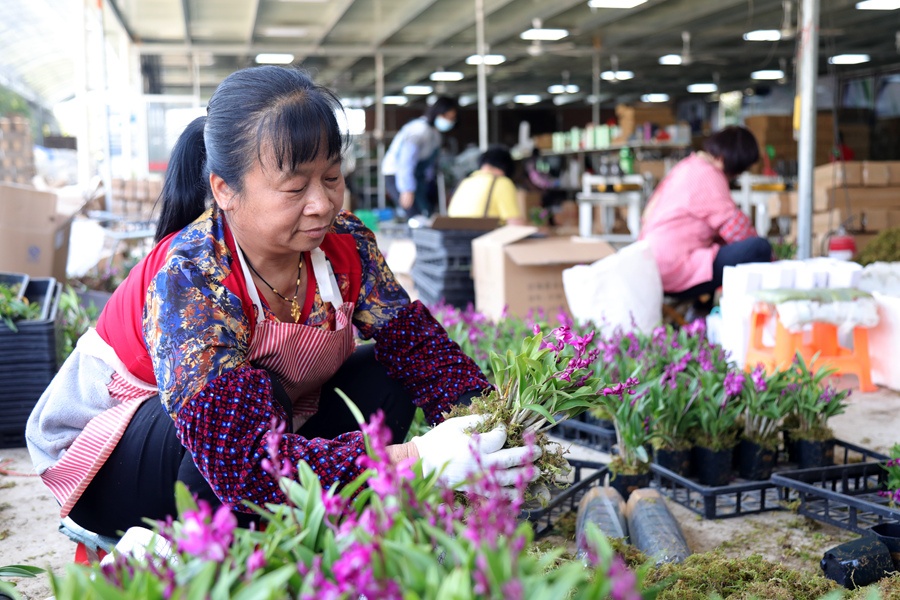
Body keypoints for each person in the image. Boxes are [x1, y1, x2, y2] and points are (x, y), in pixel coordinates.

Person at [25, 67, 539, 538]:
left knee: (391, 366)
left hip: (257, 432)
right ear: (225, 189)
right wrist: (412, 461)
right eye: (295, 188)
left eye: (332, 178)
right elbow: (239, 463)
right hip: (108, 464)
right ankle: (213, 551)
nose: (322, 204)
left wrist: (499, 431)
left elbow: (421, 349)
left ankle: (327, 520)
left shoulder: (344, 245)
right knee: (256, 391)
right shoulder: (193, 274)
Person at [638, 125, 772, 303]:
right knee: (758, 248)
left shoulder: (686, 166)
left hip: (648, 267)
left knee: (716, 249)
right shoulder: (709, 175)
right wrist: (776, 261)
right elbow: (738, 231)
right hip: (672, 270)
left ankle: (700, 311)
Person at [382, 97, 457, 219]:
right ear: (438, 113)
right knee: (413, 213)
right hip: (398, 174)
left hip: (417, 176)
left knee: (425, 210)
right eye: (448, 117)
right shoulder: (418, 130)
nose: (450, 121)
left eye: (452, 118)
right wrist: (407, 189)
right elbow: (406, 161)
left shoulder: (435, 134)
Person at [447, 145, 525, 225]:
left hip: (454, 235)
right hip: (483, 235)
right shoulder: (502, 182)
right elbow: (515, 224)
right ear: (507, 167)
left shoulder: (465, 182)